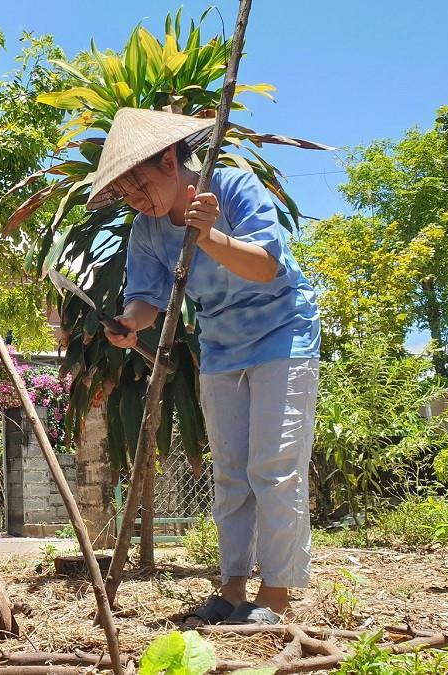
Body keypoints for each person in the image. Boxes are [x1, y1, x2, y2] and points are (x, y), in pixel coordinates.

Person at [90, 108, 320, 626]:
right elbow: (145, 297)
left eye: (141, 186)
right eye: (127, 196)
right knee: (232, 473)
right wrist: (128, 323)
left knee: (276, 467)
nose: (138, 202)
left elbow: (266, 266)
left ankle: (276, 596)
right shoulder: (146, 229)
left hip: (284, 334)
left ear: (170, 160)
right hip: (219, 345)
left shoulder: (234, 188)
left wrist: (208, 234)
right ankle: (232, 588)